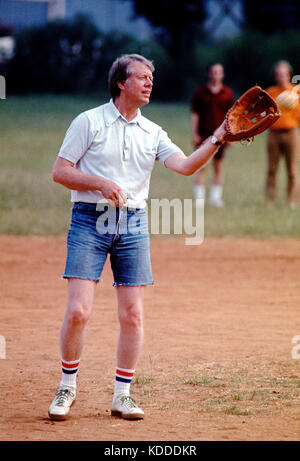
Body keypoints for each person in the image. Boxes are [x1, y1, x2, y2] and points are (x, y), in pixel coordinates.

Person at [48, 54, 229, 421]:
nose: (149, 82)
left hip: (133, 224)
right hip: (89, 220)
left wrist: (218, 136)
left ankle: (122, 395)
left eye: (151, 77)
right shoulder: (90, 121)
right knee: (79, 310)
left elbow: (186, 166)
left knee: (132, 314)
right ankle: (67, 386)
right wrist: (99, 183)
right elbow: (60, 171)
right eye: (142, 77)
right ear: (121, 83)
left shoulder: (153, 132)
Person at [191, 63, 234, 207]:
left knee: (218, 166)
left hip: (221, 135)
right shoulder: (200, 92)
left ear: (222, 74)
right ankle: (199, 199)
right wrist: (194, 132)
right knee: (200, 165)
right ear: (209, 74)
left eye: (218, 72)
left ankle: (216, 198)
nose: (216, 75)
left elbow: (232, 116)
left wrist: (231, 136)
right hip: (204, 134)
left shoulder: (227, 93)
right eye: (213, 72)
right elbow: (195, 114)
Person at [266, 60, 300, 209]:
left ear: (289, 75)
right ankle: (270, 200)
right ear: (275, 76)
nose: (281, 77)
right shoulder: (270, 93)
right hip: (273, 134)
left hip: (292, 133)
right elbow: (263, 114)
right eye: (278, 74)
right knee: (272, 169)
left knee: (292, 169)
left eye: (283, 74)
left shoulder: (296, 92)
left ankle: (291, 201)